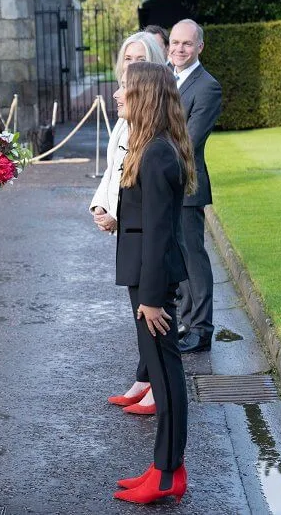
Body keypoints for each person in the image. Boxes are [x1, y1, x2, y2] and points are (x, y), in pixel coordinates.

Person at [112, 61, 195, 504]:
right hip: (144, 282)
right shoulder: (149, 147)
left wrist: (152, 298)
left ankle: (168, 473)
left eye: (125, 88)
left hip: (152, 288)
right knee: (161, 378)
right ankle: (163, 466)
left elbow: (162, 234)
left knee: (166, 377)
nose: (117, 93)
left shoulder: (159, 152)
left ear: (145, 96)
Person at [90, 32, 166, 416]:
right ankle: (145, 376)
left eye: (140, 58)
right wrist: (101, 208)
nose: (131, 64)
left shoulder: (150, 111)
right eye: (127, 57)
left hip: (142, 223)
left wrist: (119, 214)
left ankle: (159, 384)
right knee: (138, 304)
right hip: (127, 222)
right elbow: (112, 171)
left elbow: (139, 177)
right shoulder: (125, 107)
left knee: (151, 304)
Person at [168, 19, 222, 354]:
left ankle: (202, 329)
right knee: (177, 255)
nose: (179, 49)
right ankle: (186, 322)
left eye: (187, 43)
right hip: (164, 184)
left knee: (194, 257)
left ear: (199, 47)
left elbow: (188, 140)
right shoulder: (165, 78)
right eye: (174, 42)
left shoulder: (207, 87)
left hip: (187, 184)